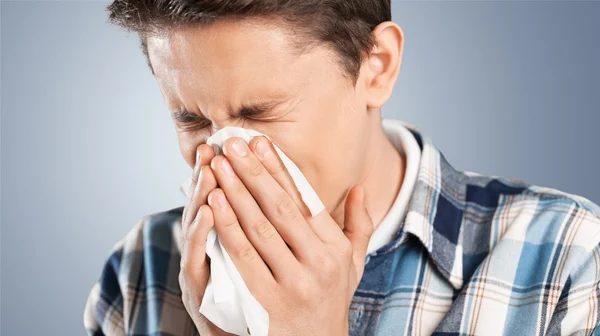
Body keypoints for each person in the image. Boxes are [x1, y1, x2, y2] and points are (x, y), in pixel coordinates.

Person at [83, 0, 600, 335]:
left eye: (259, 113)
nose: (224, 156)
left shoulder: (566, 260)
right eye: (192, 120)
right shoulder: (141, 269)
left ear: (377, 66)